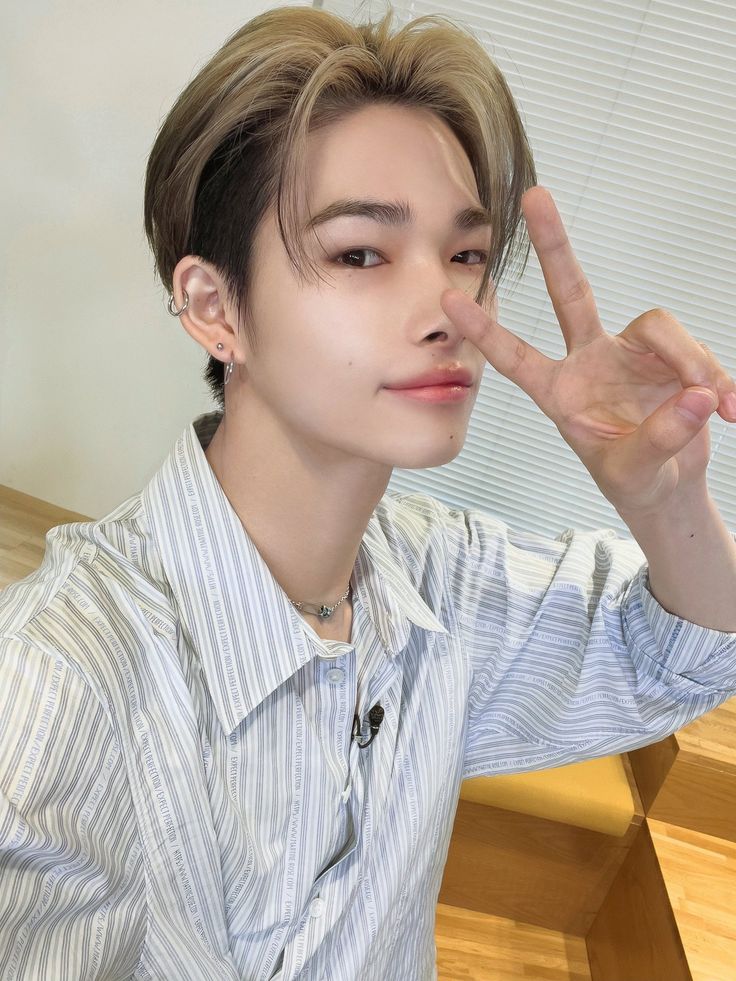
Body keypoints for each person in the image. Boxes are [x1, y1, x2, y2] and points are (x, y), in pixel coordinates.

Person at [1, 3, 735, 979]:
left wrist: (666, 498)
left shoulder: (440, 577)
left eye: (465, 254)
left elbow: (683, 654)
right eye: (360, 252)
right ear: (215, 308)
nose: (447, 308)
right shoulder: (59, 692)